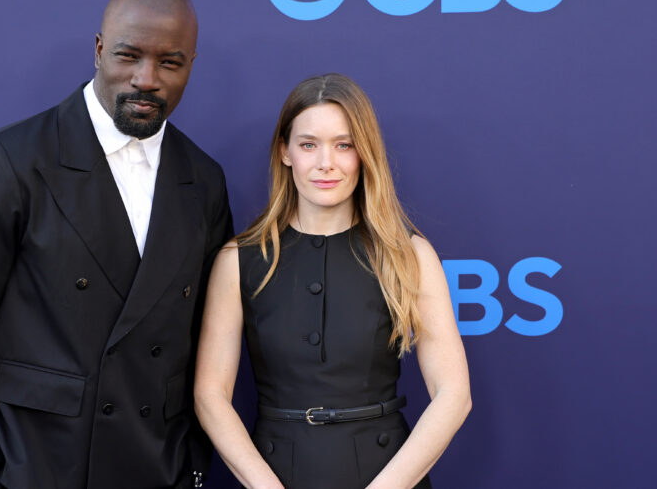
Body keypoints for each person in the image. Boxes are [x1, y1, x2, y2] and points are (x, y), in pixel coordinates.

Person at [0, 0, 234, 489]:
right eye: (128, 56)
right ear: (97, 50)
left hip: (157, 466)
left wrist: (194, 465)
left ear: (191, 66)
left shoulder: (203, 179)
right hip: (39, 465)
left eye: (170, 63)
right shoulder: (10, 162)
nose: (146, 79)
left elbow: (204, 336)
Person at [194, 74, 470, 488]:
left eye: (344, 145)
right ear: (285, 152)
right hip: (275, 474)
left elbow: (453, 395)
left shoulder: (408, 254)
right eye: (309, 145)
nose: (327, 163)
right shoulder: (238, 260)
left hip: (387, 474)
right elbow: (210, 396)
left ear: (365, 153)